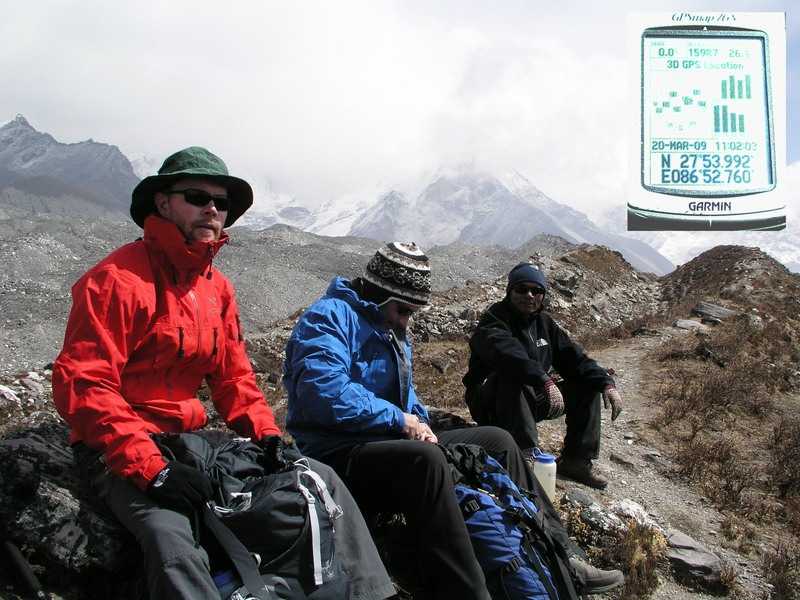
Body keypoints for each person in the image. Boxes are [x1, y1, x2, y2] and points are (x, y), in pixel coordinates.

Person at [51, 147, 396, 600]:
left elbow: (233, 378)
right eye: (197, 196)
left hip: (191, 443)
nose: (212, 209)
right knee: (171, 538)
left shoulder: (217, 288)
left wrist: (267, 435)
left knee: (319, 478)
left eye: (222, 203)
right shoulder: (116, 280)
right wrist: (153, 470)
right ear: (162, 204)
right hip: (117, 447)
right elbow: (85, 384)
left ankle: (375, 594)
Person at [283, 243, 624, 599]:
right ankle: (466, 590)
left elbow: (404, 393)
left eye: (412, 312)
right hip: (339, 454)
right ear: (379, 292)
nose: (406, 321)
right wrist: (401, 421)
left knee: (498, 441)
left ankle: (564, 557)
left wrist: (421, 421)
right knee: (426, 461)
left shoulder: (390, 322)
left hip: (387, 441)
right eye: (403, 310)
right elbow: (322, 393)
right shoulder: (329, 317)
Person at [463, 261, 624, 490]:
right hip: (491, 404)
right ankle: (525, 457)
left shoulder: (545, 324)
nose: (529, 295)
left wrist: (605, 382)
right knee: (512, 372)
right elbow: (508, 353)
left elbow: (575, 358)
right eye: (521, 289)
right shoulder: (494, 320)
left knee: (586, 386)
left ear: (543, 295)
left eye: (536, 290)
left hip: (527, 402)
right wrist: (543, 380)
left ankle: (576, 460)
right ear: (510, 292)